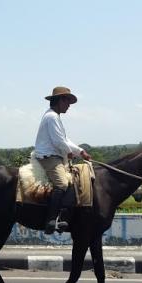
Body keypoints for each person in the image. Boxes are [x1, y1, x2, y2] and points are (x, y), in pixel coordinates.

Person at [34, 86, 92, 234]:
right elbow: (59, 142)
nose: (68, 106)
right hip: (49, 157)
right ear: (60, 100)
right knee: (62, 183)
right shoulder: (52, 117)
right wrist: (72, 152)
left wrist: (80, 151)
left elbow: (65, 140)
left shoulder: (54, 116)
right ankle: (52, 219)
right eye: (67, 102)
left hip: (56, 156)